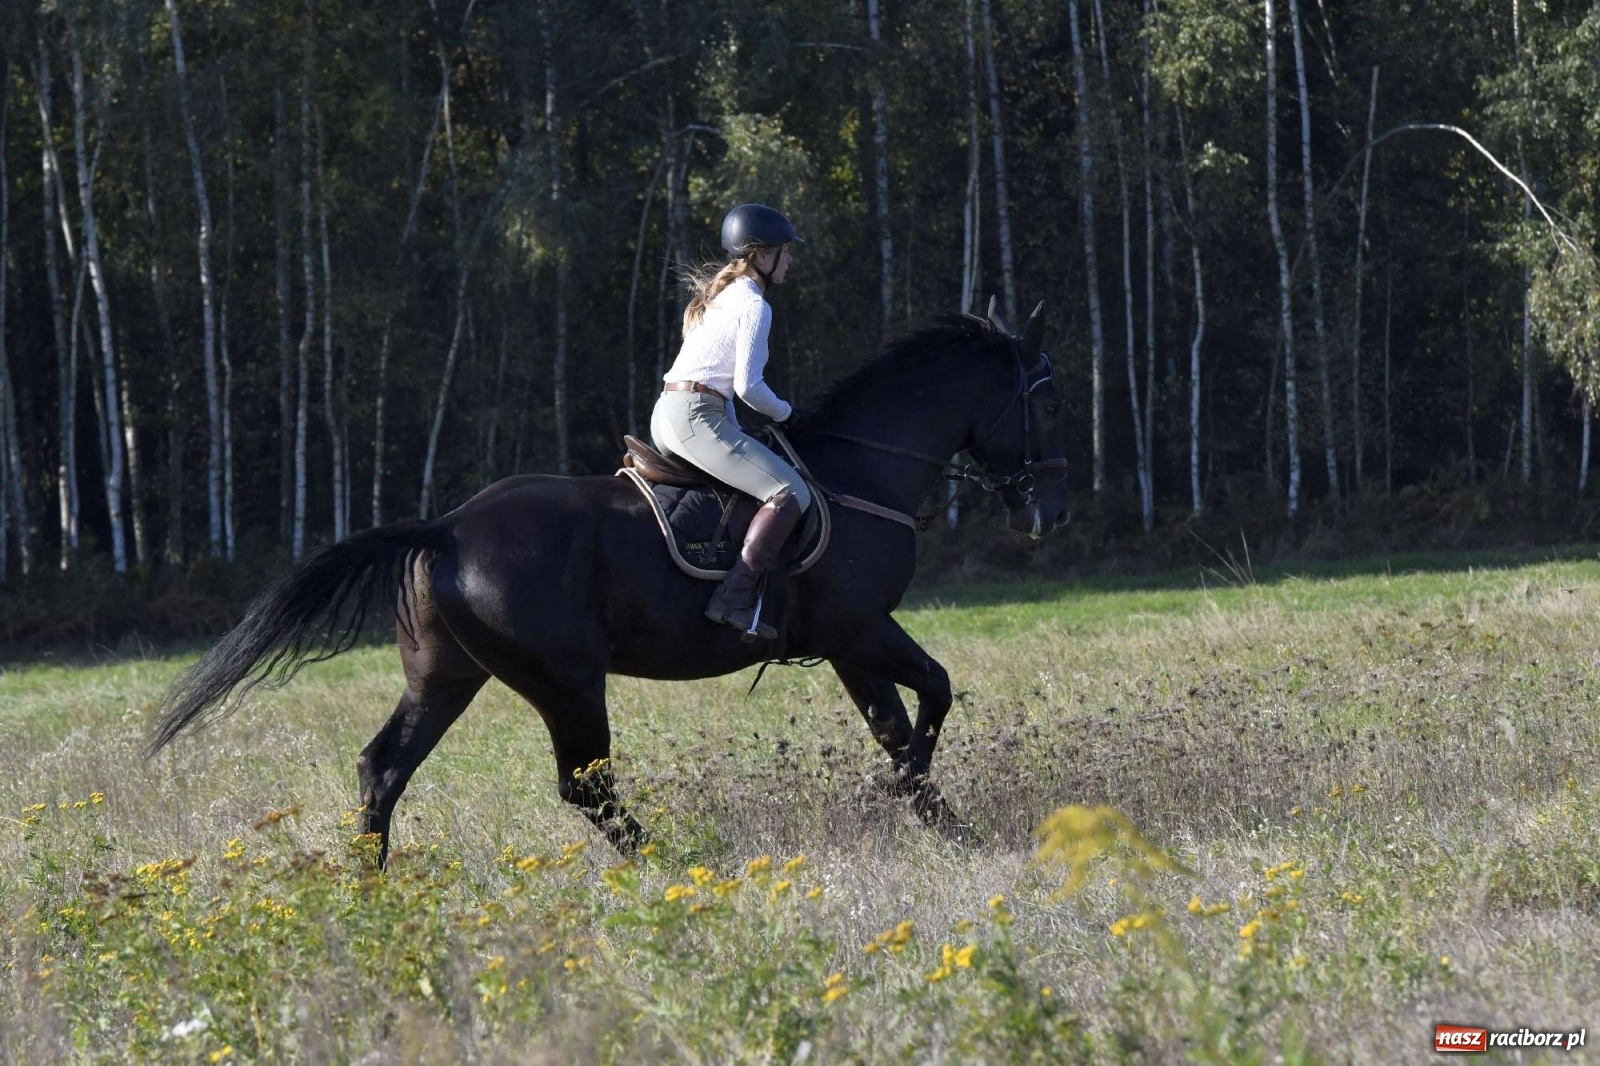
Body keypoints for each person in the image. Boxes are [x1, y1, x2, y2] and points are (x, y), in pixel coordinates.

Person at [651, 203, 813, 641]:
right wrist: (789, 413)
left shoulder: (724, 295)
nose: (790, 259)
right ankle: (735, 596)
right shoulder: (755, 305)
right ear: (761, 255)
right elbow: (749, 388)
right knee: (790, 490)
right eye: (784, 251)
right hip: (696, 417)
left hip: (669, 414)